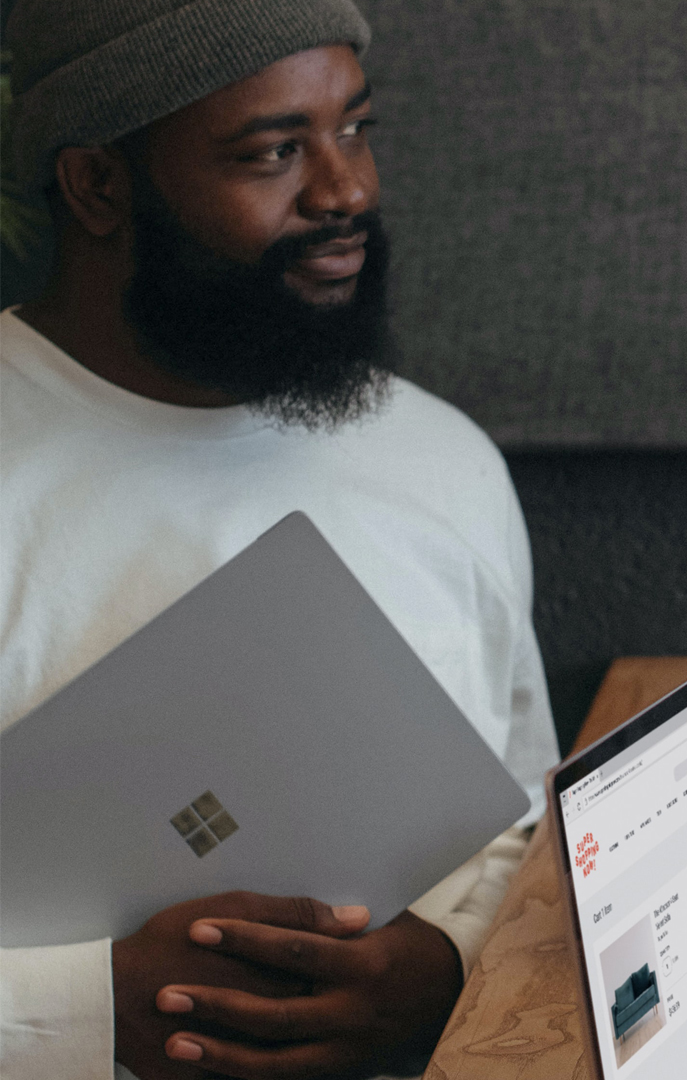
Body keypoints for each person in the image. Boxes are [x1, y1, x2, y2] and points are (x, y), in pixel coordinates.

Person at [0, 1, 560, 1077]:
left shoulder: (437, 457)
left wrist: (445, 965)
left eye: (354, 129)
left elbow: (522, 823)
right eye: (271, 152)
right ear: (98, 186)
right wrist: (82, 1010)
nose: (347, 190)